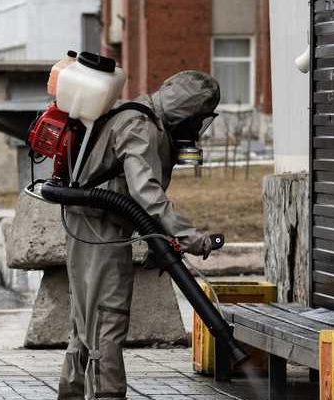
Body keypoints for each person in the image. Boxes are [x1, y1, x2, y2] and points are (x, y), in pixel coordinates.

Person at [58, 70, 221, 400]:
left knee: (87, 325)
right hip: (100, 230)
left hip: (93, 227)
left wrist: (155, 242)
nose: (196, 129)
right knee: (106, 321)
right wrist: (190, 238)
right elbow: (145, 192)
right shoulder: (141, 126)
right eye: (196, 119)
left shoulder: (145, 117)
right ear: (185, 109)